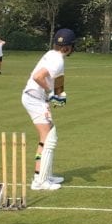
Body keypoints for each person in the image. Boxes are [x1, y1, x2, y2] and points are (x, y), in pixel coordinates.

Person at [22, 28, 75, 190]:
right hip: (34, 99)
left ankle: (44, 174)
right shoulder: (57, 59)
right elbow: (37, 76)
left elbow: (56, 80)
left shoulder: (53, 55)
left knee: (48, 136)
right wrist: (50, 91)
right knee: (49, 137)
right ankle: (39, 181)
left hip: (36, 99)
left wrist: (57, 95)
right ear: (68, 47)